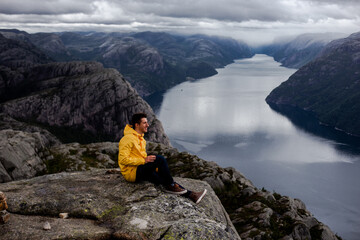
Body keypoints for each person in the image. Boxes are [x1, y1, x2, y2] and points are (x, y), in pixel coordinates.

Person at [118, 113, 207, 204]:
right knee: (160, 159)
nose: (147, 125)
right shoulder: (128, 139)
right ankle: (171, 185)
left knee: (163, 179)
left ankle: (192, 195)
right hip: (132, 172)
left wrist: (154, 167)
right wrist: (143, 160)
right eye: (144, 123)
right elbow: (122, 160)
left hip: (139, 169)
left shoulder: (141, 139)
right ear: (137, 125)